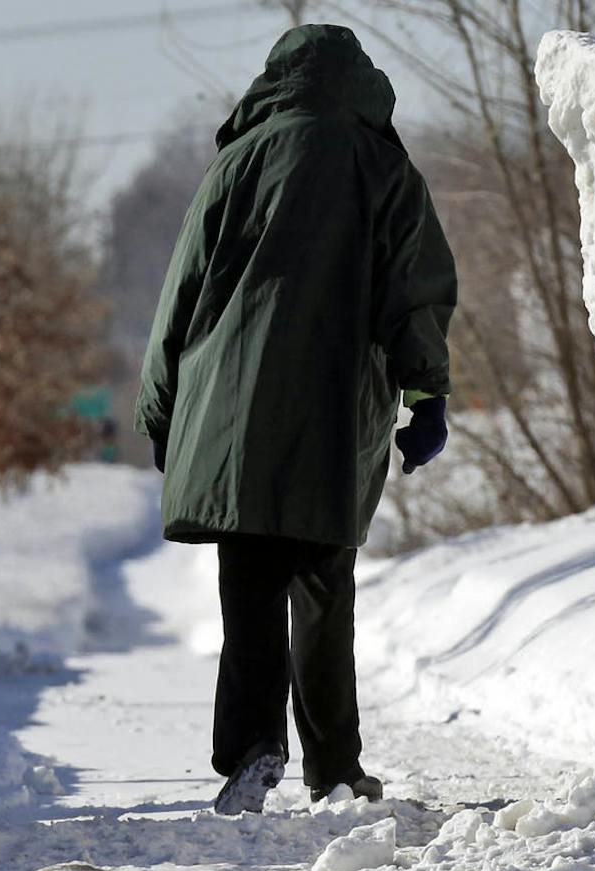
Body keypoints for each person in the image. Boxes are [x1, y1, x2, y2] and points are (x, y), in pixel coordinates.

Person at [136, 24, 457, 816]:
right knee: (323, 587)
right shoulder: (383, 166)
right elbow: (412, 290)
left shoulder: (235, 165)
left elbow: (180, 293)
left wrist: (161, 409)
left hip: (229, 411)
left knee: (248, 585)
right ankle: (335, 769)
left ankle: (252, 750)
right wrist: (427, 396)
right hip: (333, 408)